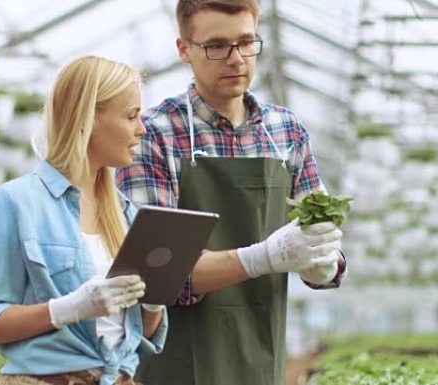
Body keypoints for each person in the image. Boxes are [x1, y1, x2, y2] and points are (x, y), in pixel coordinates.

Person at [115, 1, 347, 384]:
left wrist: (324, 263)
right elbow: (154, 276)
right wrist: (264, 257)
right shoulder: (154, 133)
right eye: (217, 46)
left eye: (246, 42)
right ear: (184, 49)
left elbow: (319, 243)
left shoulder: (287, 132)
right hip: (177, 364)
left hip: (262, 359)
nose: (236, 59)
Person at [0, 55, 167, 385]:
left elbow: (138, 334)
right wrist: (69, 308)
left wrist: (153, 302)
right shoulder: (14, 203)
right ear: (87, 119)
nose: (141, 129)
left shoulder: (126, 214)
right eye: (131, 116)